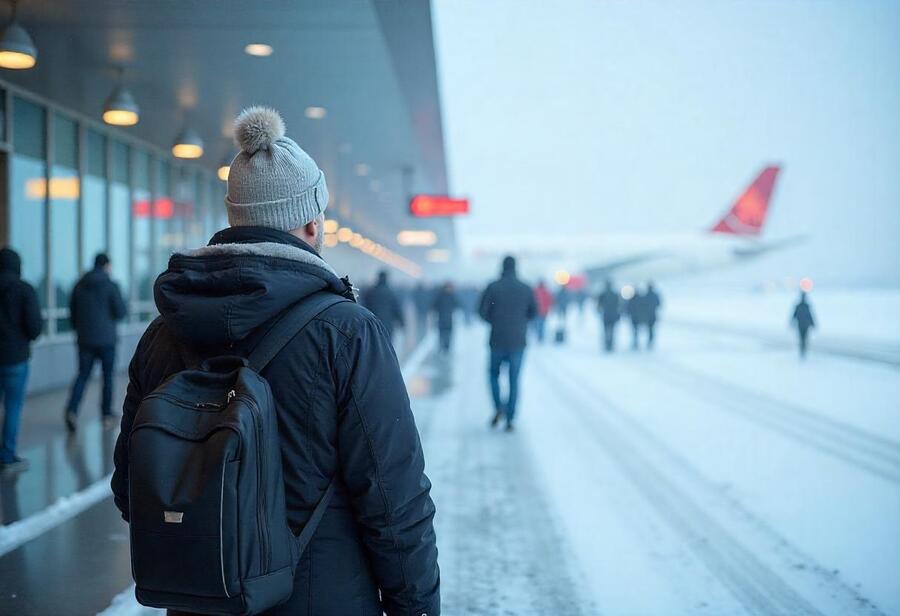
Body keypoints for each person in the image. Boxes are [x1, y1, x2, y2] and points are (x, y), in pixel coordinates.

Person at [111, 107, 439, 616]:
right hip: (322, 597)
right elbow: (394, 499)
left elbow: (131, 486)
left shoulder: (163, 331)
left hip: (201, 601)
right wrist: (415, 606)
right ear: (312, 222)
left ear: (234, 216)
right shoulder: (346, 332)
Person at [65, 252, 127, 431]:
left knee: (83, 375)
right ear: (106, 265)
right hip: (107, 340)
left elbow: (72, 313)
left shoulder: (79, 285)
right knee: (107, 378)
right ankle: (106, 414)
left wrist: (80, 330)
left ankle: (72, 410)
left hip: (84, 340)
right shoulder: (110, 285)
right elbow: (121, 312)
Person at [479, 256, 537, 432]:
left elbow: (481, 311)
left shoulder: (493, 287)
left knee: (493, 375)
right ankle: (510, 418)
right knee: (514, 379)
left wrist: (495, 320)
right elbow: (533, 312)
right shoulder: (525, 288)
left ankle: (499, 407)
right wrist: (520, 322)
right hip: (518, 341)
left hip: (497, 339)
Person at [0, 248, 42, 473]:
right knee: (13, 407)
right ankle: (6, 457)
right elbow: (35, 327)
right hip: (15, 359)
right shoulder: (24, 290)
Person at [360, 270, 405, 342]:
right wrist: (401, 322)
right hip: (387, 324)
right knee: (387, 343)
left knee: (374, 343)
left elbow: (364, 307)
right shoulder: (390, 292)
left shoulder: (370, 291)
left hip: (373, 323)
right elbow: (396, 308)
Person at [431, 281, 459, 353]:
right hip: (442, 317)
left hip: (448, 318)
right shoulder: (441, 296)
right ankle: (442, 346)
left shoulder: (451, 296)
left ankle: (446, 347)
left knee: (448, 333)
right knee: (442, 333)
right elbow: (434, 305)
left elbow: (457, 304)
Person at [596, 280, 621, 352]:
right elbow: (619, 305)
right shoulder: (615, 294)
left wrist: (599, 311)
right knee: (612, 331)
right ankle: (610, 344)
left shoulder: (603, 294)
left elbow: (598, 306)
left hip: (606, 315)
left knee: (606, 330)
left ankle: (607, 344)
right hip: (613, 315)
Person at [791, 291, 816, 358]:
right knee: (803, 338)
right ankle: (802, 350)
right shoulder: (802, 306)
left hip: (803, 325)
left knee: (803, 338)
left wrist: (813, 323)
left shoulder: (803, 306)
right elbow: (794, 315)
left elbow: (810, 315)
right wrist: (813, 323)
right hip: (803, 325)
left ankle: (803, 350)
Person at [643, 282, 662, 349]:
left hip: (647, 315)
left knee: (649, 329)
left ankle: (650, 341)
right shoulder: (654, 295)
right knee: (651, 329)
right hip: (652, 315)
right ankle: (650, 341)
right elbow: (659, 304)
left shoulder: (645, 295)